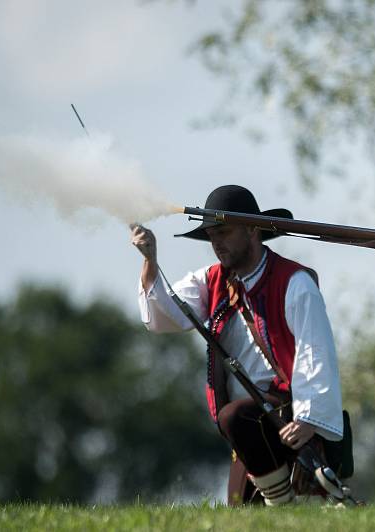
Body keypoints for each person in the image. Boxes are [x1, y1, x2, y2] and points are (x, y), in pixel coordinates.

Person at [131, 185, 344, 506]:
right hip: (247, 428)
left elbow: (315, 352)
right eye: (212, 234)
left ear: (253, 229)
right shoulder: (212, 279)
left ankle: (283, 503)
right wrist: (150, 259)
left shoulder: (294, 282)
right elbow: (165, 318)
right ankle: (281, 502)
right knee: (241, 513)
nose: (216, 242)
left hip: (287, 416)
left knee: (235, 418)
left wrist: (308, 420)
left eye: (224, 231)